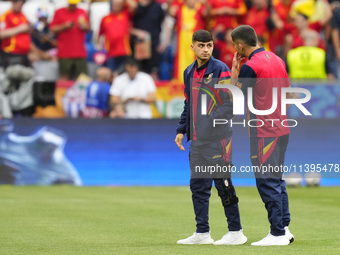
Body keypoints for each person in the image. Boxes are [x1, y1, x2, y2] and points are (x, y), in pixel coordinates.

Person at [174, 30, 247, 245]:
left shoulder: (220, 69)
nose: (206, 49)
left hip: (218, 139)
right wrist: (181, 130)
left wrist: (208, 125)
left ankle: (236, 232)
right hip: (197, 140)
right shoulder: (188, 72)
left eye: (209, 45)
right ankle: (202, 233)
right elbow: (189, 104)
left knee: (223, 185)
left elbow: (228, 104)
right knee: (198, 186)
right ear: (193, 47)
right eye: (201, 45)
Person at [230, 25, 294, 246]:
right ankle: (284, 228)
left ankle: (276, 233)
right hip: (282, 129)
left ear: (240, 46)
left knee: (266, 182)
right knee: (276, 180)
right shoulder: (277, 60)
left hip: (264, 133)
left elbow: (235, 101)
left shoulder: (251, 67)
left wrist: (235, 70)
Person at [168, 0, 209, 82]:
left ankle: (197, 79)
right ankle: (180, 79)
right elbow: (171, 12)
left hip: (196, 39)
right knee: (181, 59)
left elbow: (206, 13)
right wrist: (169, 3)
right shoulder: (180, 7)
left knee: (197, 58)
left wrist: (206, 4)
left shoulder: (199, 7)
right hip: (182, 39)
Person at [50, 0, 90, 80]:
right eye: (71, 4)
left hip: (79, 52)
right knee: (64, 77)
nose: (73, 6)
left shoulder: (82, 12)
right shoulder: (59, 12)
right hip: (64, 52)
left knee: (83, 77)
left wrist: (84, 26)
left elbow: (88, 27)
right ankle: (62, 93)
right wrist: (65, 26)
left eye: (74, 4)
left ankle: (81, 93)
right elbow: (52, 28)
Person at [98, 0, 137, 72]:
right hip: (110, 53)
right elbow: (100, 35)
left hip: (124, 51)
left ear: (122, 5)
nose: (116, 5)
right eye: (114, 4)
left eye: (118, 4)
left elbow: (133, 6)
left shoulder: (126, 14)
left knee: (125, 76)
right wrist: (99, 48)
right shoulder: (105, 18)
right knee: (111, 75)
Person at [130, 0, 165, 79]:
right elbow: (126, 26)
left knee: (154, 73)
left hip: (153, 45)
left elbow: (164, 23)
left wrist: (165, 42)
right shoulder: (135, 7)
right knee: (139, 73)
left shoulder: (157, 7)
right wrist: (137, 32)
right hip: (139, 44)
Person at [0, 0, 31, 68]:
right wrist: (19, 28)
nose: (21, 6)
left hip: (25, 55)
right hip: (11, 55)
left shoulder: (23, 15)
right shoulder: (6, 15)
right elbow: (1, 34)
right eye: (20, 3)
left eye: (23, 4)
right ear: (14, 2)